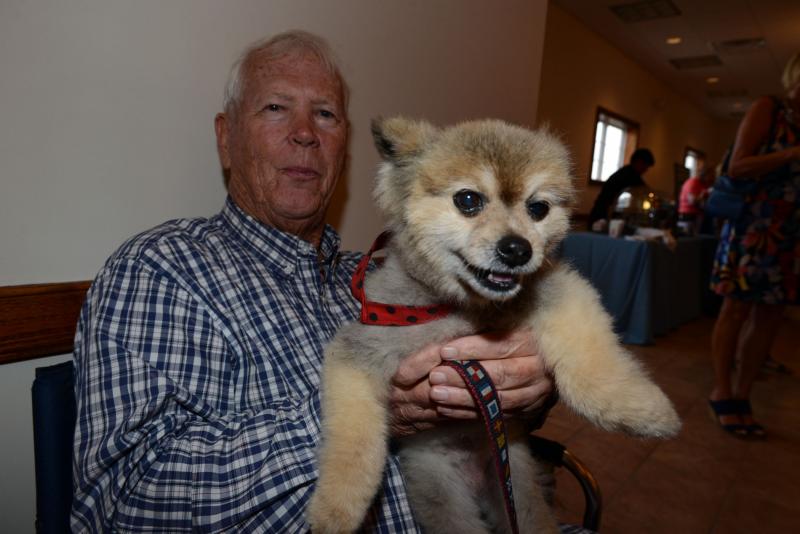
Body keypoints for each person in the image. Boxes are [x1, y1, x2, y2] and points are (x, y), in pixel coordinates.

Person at [71, 30, 556, 532]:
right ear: (225, 137)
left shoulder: (392, 275)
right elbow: (125, 500)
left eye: (325, 114)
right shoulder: (163, 269)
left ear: (343, 149)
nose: (306, 132)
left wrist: (532, 386)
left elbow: (500, 399)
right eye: (276, 108)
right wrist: (361, 417)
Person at [708, 52, 800, 438]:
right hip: (753, 226)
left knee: (770, 317)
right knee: (735, 310)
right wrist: (793, 153)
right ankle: (723, 391)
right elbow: (738, 166)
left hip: (791, 234)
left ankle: (744, 395)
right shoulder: (770, 108)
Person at [588, 148, 656, 227]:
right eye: (645, 165)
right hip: (602, 217)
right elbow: (644, 190)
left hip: (602, 215)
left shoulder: (627, 173)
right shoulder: (628, 175)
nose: (646, 169)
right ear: (638, 161)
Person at [677, 162, 715, 235]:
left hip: (697, 216)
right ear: (704, 174)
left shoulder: (703, 184)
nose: (712, 177)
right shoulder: (693, 182)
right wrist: (704, 194)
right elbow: (692, 201)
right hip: (688, 216)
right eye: (711, 174)